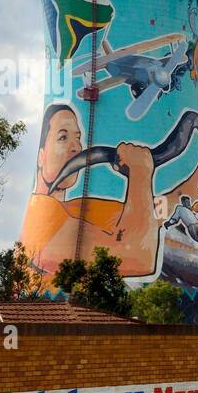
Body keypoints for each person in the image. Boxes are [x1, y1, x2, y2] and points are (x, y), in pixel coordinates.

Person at [20, 103, 161, 278]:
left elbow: (162, 212)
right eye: (63, 137)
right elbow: (138, 259)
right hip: (63, 305)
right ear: (41, 157)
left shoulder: (75, 208)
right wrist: (140, 172)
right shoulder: (43, 210)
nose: (76, 147)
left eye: (78, 138)